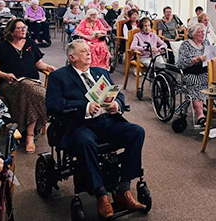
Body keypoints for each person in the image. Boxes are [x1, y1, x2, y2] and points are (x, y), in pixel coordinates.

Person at [46, 39, 147, 219]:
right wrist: (84, 106)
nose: (89, 53)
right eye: (84, 51)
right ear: (72, 57)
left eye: (89, 50)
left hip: (107, 120)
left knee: (137, 132)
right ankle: (101, 194)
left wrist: (117, 104)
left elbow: (119, 95)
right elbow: (53, 105)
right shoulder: (59, 76)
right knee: (85, 142)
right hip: (78, 124)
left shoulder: (100, 72)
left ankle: (123, 188)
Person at [0, 18, 56, 153]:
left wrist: (48, 67)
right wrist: (4, 75)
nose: (24, 30)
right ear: (11, 32)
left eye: (24, 27)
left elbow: (38, 63)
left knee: (29, 91)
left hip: (32, 83)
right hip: (10, 84)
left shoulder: (30, 43)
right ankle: (31, 134)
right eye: (20, 28)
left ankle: (28, 134)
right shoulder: (1, 47)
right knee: (27, 89)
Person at [176, 23, 211, 128]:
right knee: (196, 84)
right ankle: (200, 115)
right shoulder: (186, 45)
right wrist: (196, 60)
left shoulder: (206, 43)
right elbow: (181, 63)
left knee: (215, 84)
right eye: (200, 32)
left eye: (203, 32)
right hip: (190, 72)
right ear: (193, 34)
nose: (203, 34)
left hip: (205, 71)